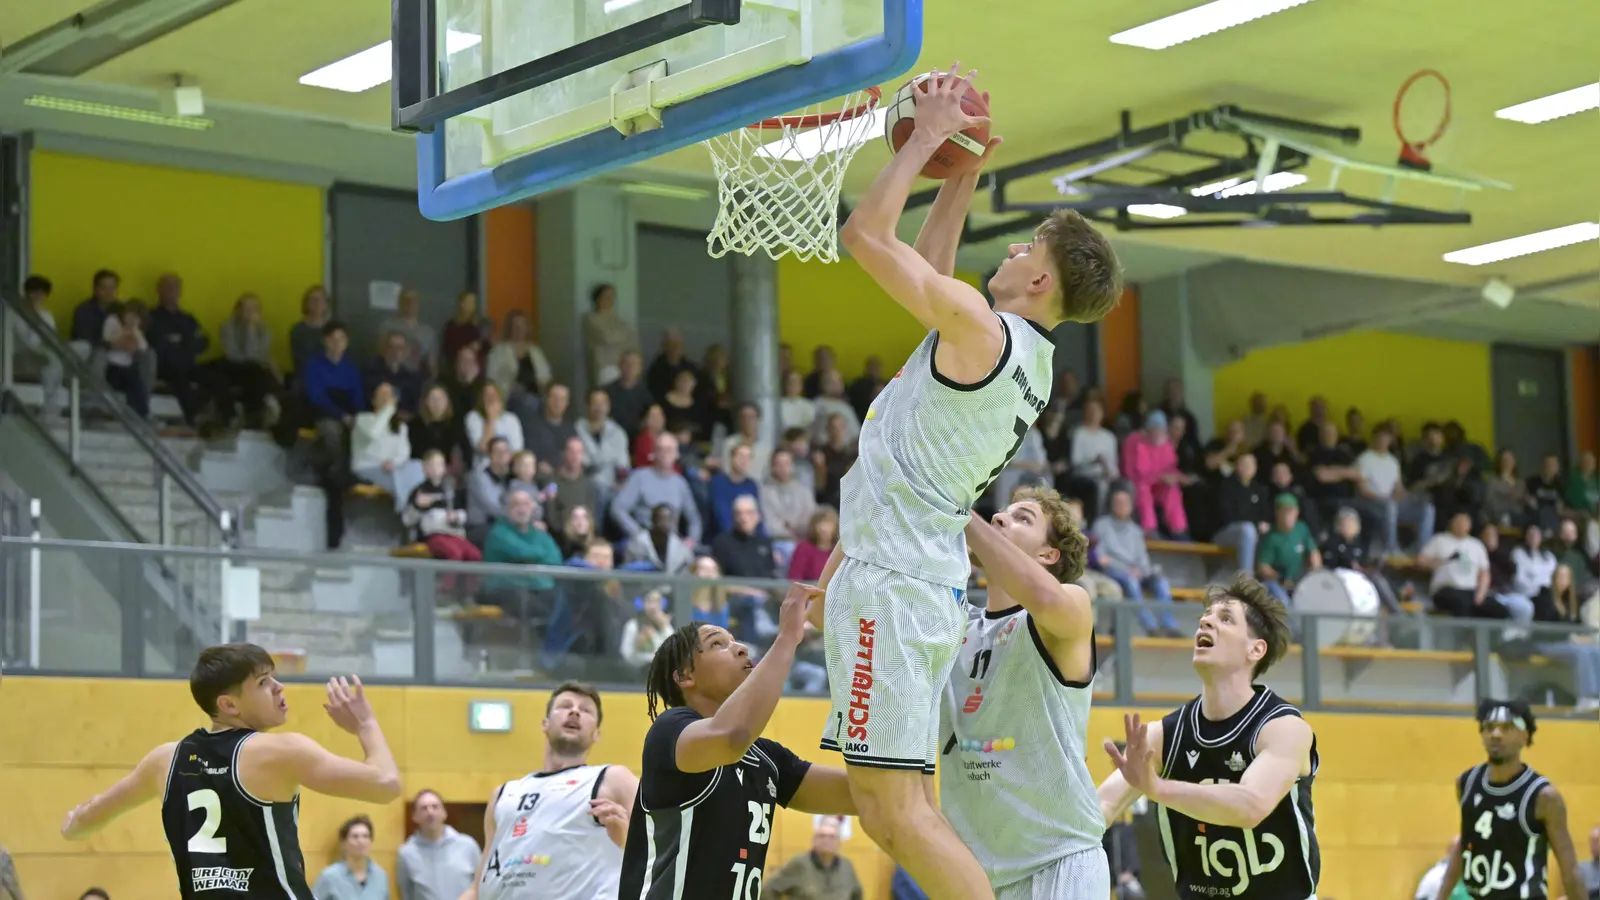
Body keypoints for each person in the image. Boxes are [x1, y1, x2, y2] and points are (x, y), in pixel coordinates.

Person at [823, 64, 1122, 899]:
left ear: (1041, 282)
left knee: (894, 815)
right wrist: (964, 171)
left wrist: (926, 137)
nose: (1013, 251)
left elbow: (865, 237)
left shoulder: (986, 335)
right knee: (900, 807)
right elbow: (930, 266)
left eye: (1027, 250)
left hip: (895, 581)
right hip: (910, 577)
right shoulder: (1024, 357)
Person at [58, 643, 402, 899]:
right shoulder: (280, 751)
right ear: (229, 704)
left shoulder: (165, 760)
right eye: (264, 682)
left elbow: (84, 821)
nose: (279, 687)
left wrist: (73, 823)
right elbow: (386, 784)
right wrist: (366, 725)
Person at [618, 584, 858, 899]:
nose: (741, 648)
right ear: (685, 676)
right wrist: (788, 637)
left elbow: (859, 795)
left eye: (735, 640)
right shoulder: (670, 731)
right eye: (717, 644)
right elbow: (732, 736)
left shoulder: (767, 758)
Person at [1097, 575, 1320, 900]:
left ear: (1255, 649)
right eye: (1206, 616)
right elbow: (1100, 808)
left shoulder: (1282, 727)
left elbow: (1251, 805)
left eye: (1225, 618)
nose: (1206, 621)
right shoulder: (1165, 736)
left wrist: (1159, 788)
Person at [943, 487, 1109, 897]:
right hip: (978, 873)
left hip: (1060, 861)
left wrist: (955, 505)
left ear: (1048, 555)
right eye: (1001, 512)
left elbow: (1044, 597)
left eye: (1022, 518)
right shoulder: (952, 625)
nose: (999, 518)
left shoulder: (1070, 606)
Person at [461, 682, 638, 900]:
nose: (575, 711)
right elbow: (477, 888)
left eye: (585, 710)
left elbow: (663, 845)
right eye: (565, 706)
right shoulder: (503, 794)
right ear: (545, 723)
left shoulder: (613, 778)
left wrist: (627, 840)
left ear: (597, 734)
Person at [1429, 700, 1587, 900]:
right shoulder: (1466, 783)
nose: (1496, 734)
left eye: (1507, 727)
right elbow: (1465, 842)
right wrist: (1441, 896)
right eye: (1489, 727)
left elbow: (1570, 870)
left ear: (1524, 736)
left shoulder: (1543, 797)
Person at [396, 791, 481, 900]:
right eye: (424, 808)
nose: (430, 812)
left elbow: (481, 886)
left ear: (444, 813)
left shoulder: (468, 846)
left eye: (435, 807)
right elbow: (406, 895)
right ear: (414, 816)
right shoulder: (406, 853)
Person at [313, 815, 389, 900]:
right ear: (344, 843)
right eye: (355, 836)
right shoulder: (329, 877)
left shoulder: (380, 876)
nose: (361, 841)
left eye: (365, 836)